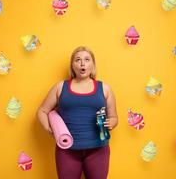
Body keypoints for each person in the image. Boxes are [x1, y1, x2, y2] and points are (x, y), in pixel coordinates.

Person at [37, 46, 118, 179]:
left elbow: (114, 116)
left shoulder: (105, 88)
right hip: (67, 150)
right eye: (78, 60)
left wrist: (112, 123)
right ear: (72, 65)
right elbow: (42, 111)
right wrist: (50, 129)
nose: (82, 63)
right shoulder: (60, 87)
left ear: (92, 65)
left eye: (87, 59)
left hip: (98, 149)